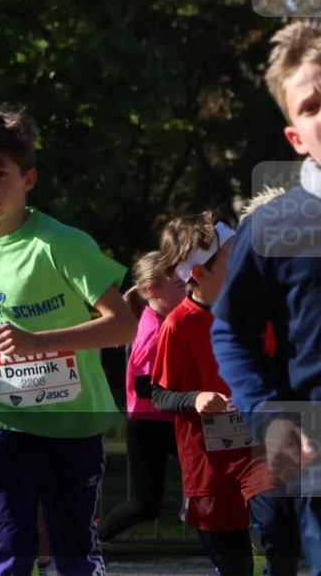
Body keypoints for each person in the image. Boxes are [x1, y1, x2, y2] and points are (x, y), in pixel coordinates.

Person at [0, 104, 137, 576]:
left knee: (71, 551)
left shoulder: (61, 243)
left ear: (28, 178)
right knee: (8, 544)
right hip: (0, 421)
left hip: (72, 424)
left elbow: (123, 324)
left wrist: (37, 342)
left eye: (0, 174)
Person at [212, 18, 321, 574]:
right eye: (312, 104)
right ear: (296, 137)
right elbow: (232, 329)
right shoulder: (275, 227)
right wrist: (271, 416)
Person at [151, 211, 297, 576]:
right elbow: (158, 393)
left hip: (263, 448)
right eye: (236, 255)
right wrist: (195, 398)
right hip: (210, 464)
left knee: (283, 533)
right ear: (200, 273)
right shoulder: (178, 325)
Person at [97, 252, 186, 543]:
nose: (187, 287)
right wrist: (193, 395)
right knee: (144, 506)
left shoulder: (161, 321)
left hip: (163, 421)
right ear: (152, 290)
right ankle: (92, 539)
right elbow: (146, 388)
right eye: (179, 285)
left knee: (208, 485)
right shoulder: (155, 331)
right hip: (153, 425)